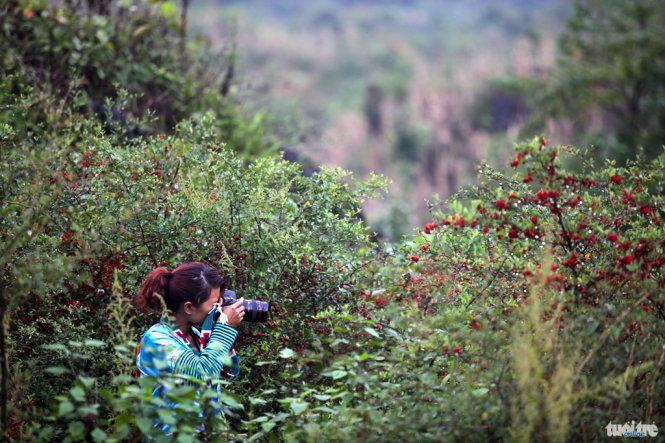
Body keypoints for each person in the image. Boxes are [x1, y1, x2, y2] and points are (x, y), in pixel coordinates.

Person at [134, 261, 245, 434]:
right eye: (214, 304)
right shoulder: (157, 340)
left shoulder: (194, 334)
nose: (218, 308)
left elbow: (228, 372)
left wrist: (218, 327)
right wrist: (226, 328)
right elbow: (200, 374)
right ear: (189, 307)